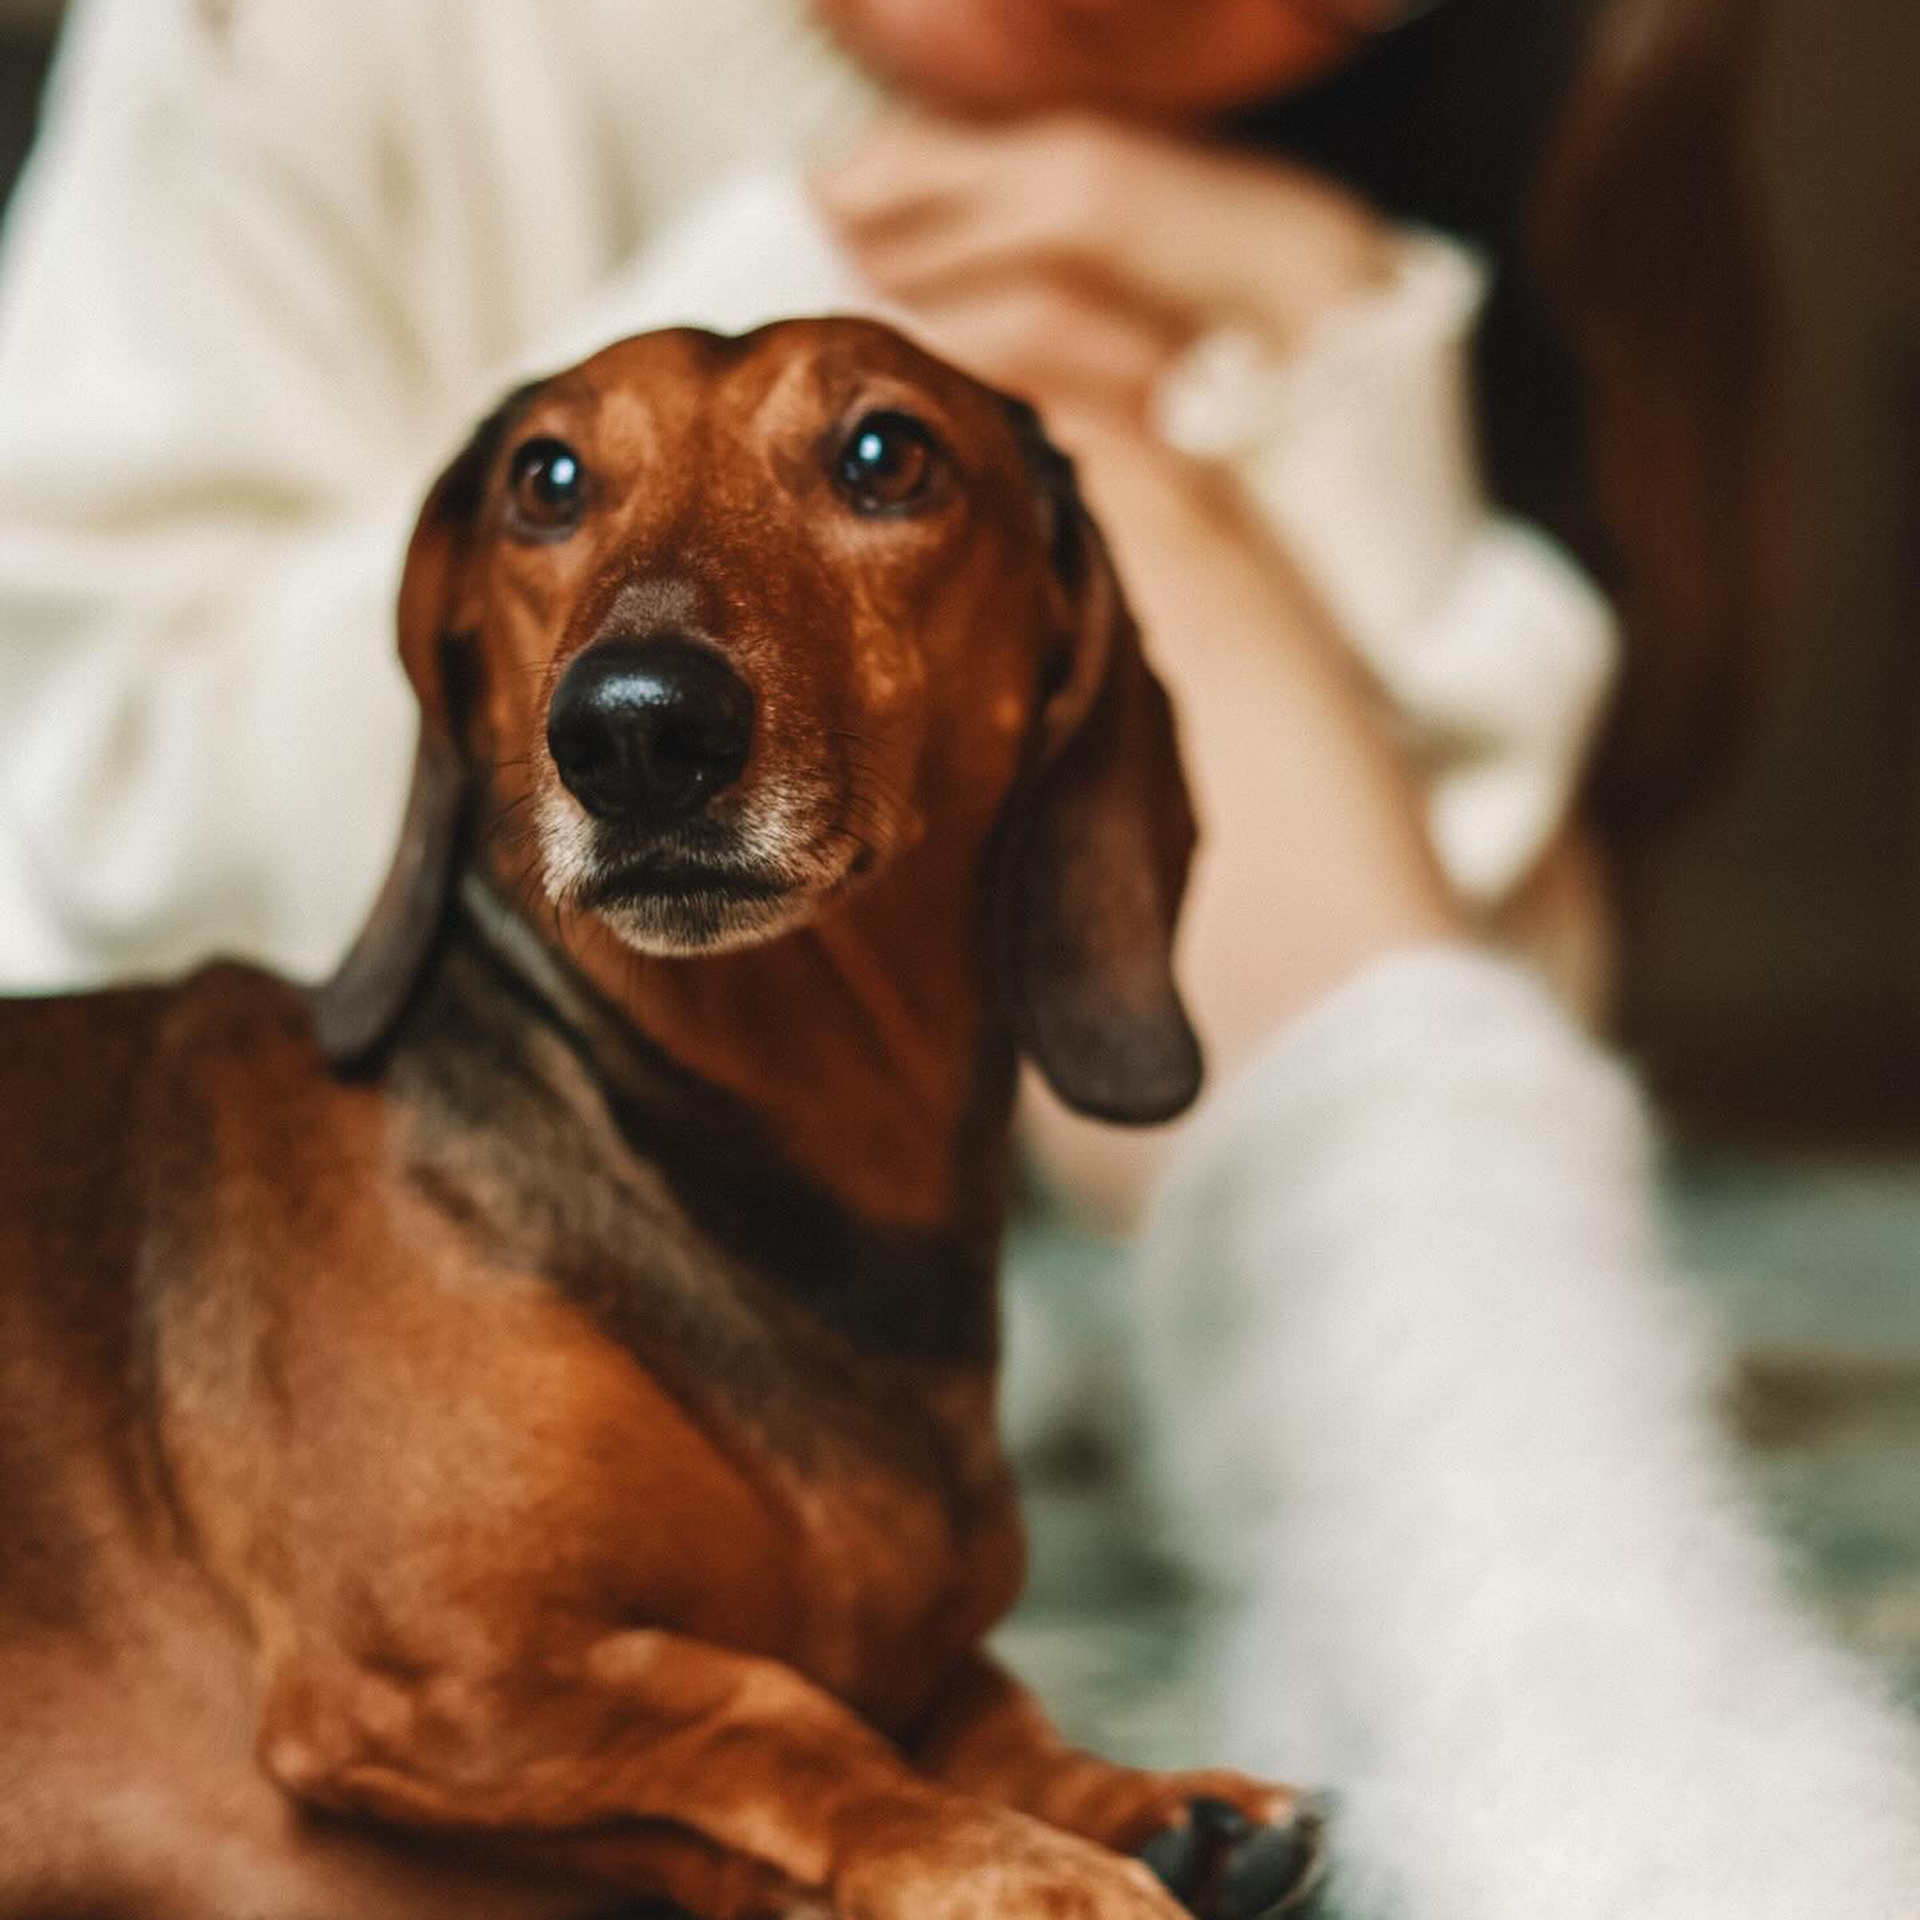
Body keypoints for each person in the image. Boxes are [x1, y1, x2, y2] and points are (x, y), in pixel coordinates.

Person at [2, 2, 1914, 1914]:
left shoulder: (1363, 197)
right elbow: (99, 812)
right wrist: (827, 299)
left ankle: (1546, 1647)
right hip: (269, 1223)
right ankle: (1581, 1707)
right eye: (554, 494)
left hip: (917, 1285)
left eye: (875, 466)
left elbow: (1505, 1009)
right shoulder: (295, 34)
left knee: (1080, 502)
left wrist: (1334, 363)